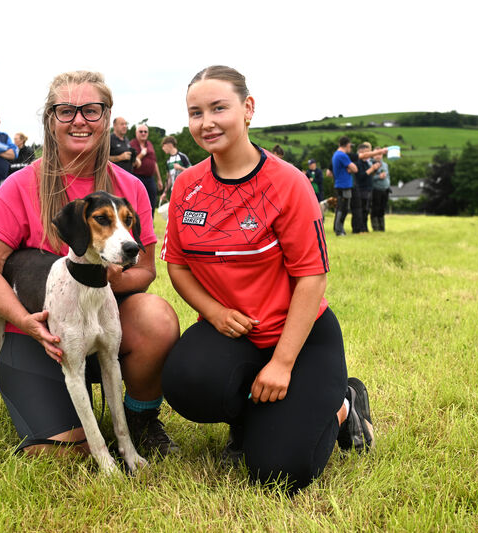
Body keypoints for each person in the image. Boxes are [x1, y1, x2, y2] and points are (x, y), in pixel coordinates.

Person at [161, 65, 375, 494]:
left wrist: (281, 363)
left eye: (219, 108)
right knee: (186, 382)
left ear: (248, 109)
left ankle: (343, 405)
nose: (207, 122)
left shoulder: (288, 183)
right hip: (232, 333)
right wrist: (214, 311)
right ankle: (251, 417)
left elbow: (312, 278)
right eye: (195, 112)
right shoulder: (187, 185)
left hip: (299, 337)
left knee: (278, 473)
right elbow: (178, 264)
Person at [0, 70, 180, 459]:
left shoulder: (130, 188)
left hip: (100, 320)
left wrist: (95, 281)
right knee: (61, 454)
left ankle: (139, 419)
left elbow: (146, 270)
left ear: (107, 115)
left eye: (91, 110)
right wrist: (26, 320)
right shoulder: (20, 184)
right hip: (34, 336)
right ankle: (56, 413)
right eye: (66, 110)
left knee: (156, 317)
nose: (79, 120)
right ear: (50, 119)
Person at [130, 124, 163, 213]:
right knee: (137, 202)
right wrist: (142, 154)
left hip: (150, 178)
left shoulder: (150, 144)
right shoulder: (132, 144)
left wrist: (159, 179)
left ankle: (150, 224)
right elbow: (132, 163)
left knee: (152, 200)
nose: (143, 133)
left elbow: (154, 162)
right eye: (141, 131)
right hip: (137, 177)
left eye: (145, 132)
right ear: (136, 133)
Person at [331, 136, 358, 236]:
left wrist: (349, 168)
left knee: (341, 207)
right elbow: (355, 169)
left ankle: (339, 229)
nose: (350, 148)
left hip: (340, 184)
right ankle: (339, 230)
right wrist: (350, 168)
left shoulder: (336, 154)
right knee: (343, 208)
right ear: (347, 145)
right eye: (350, 146)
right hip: (344, 185)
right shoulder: (342, 155)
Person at [352, 142, 381, 234]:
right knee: (360, 210)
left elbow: (369, 175)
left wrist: (374, 169)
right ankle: (359, 228)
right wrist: (371, 169)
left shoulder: (367, 163)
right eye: (366, 152)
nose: (368, 155)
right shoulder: (357, 163)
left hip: (368, 188)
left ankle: (364, 227)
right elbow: (360, 176)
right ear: (361, 152)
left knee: (366, 210)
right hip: (360, 188)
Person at [159, 135, 190, 205]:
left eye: (163, 146)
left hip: (185, 189)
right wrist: (164, 192)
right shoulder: (168, 161)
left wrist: (181, 168)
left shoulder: (182, 157)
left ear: (169, 145)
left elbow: (192, 171)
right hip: (174, 191)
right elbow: (169, 179)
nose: (163, 148)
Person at [371, 150, 391, 231]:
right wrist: (378, 177)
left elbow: (388, 176)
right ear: (373, 155)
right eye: (376, 154)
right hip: (376, 189)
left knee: (382, 208)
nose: (378, 156)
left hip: (385, 189)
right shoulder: (371, 164)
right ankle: (375, 227)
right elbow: (370, 178)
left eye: (380, 154)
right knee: (375, 208)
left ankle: (382, 227)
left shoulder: (385, 165)